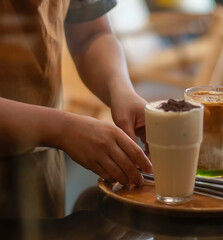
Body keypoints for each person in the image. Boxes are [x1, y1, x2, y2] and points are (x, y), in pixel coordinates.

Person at [0, 0, 152, 218]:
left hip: (40, 167)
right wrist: (60, 129)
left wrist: (120, 89)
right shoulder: (58, 131)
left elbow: (90, 35)